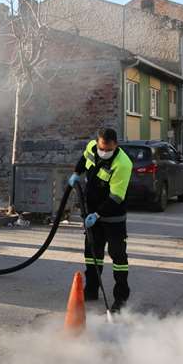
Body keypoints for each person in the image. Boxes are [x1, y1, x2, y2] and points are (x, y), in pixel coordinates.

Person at [68, 127, 134, 312]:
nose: (104, 152)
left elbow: (116, 198)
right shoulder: (92, 147)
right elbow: (83, 160)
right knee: (92, 254)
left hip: (113, 217)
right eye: (101, 148)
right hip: (91, 212)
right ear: (98, 142)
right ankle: (91, 290)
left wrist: (97, 215)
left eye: (108, 149)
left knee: (118, 256)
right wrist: (76, 173)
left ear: (116, 145)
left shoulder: (123, 164)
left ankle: (120, 298)